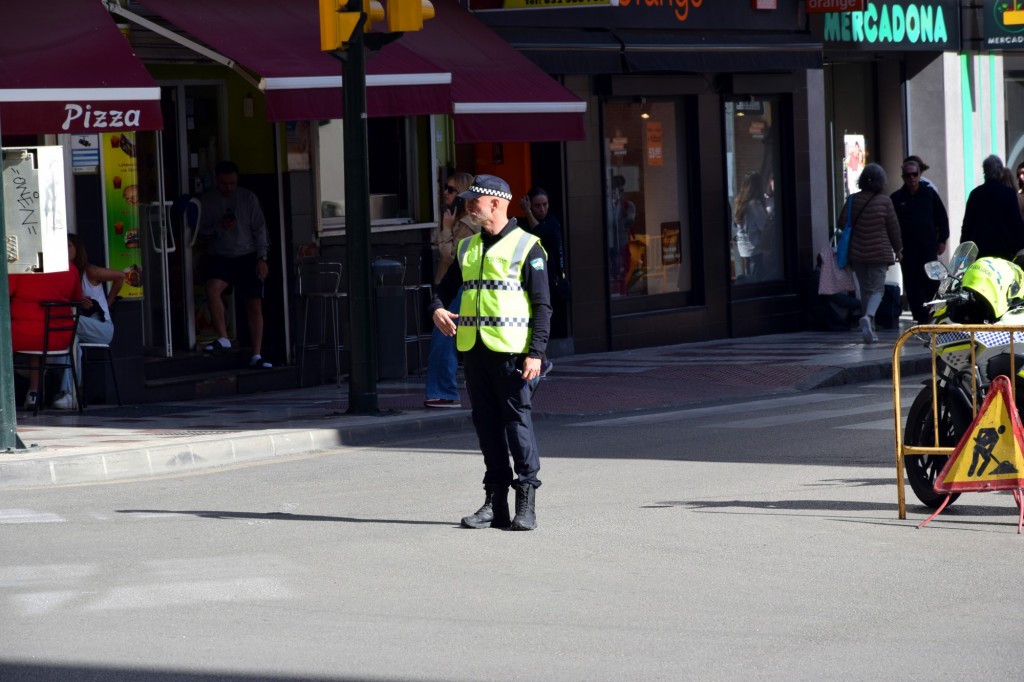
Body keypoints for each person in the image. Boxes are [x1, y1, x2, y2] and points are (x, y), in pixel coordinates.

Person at [429, 174, 552, 531]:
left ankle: (525, 502)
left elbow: (543, 306)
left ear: (495, 203)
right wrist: (437, 309)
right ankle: (495, 503)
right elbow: (442, 289)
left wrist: (536, 353)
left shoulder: (528, 246)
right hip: (475, 351)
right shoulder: (468, 247)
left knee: (516, 424)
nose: (468, 206)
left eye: (474, 201)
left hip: (512, 354)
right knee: (486, 426)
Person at [197, 160, 272, 368]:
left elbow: (260, 229)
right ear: (216, 180)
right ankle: (223, 337)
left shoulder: (248, 198)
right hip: (220, 254)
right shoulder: (207, 201)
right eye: (224, 183)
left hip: (247, 254)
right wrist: (219, 227)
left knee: (254, 304)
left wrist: (262, 258)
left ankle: (256, 354)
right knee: (212, 288)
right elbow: (199, 234)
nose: (228, 188)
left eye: (232, 183)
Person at [50, 234, 125, 410]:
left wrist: (108, 302)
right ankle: (70, 394)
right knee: (72, 342)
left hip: (102, 328)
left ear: (78, 249)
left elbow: (120, 276)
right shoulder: (64, 274)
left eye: (69, 246)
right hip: (80, 328)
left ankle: (51, 370)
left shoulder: (89, 272)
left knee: (67, 323)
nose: (64, 250)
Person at [8, 238, 83, 409]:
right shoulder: (69, 268)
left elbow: (6, 292)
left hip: (22, 335)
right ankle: (34, 393)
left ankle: (18, 394)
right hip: (59, 337)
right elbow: (77, 298)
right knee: (39, 345)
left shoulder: (22, 266)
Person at [424, 171, 478, 408]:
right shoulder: (458, 220)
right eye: (445, 188)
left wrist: (446, 228)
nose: (445, 193)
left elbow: (451, 257)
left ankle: (443, 391)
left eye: (451, 189)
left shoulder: (466, 224)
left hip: (459, 287)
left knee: (445, 334)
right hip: (450, 286)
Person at [840, 162, 903, 344]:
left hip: (857, 252)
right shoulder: (885, 201)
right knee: (877, 290)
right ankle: (868, 317)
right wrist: (898, 249)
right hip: (879, 252)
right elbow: (893, 228)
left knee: (865, 290)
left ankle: (870, 330)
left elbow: (841, 223)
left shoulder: (853, 200)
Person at [890, 158, 949, 324]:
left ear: (919, 175)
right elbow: (891, 225)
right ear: (903, 177)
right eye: (908, 175)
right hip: (907, 251)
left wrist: (942, 240)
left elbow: (942, 218)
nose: (912, 178)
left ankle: (935, 314)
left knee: (932, 282)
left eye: (914, 174)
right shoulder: (896, 198)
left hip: (928, 248)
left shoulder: (929, 194)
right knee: (912, 285)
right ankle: (920, 317)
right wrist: (896, 248)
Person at [520, 186, 568, 341]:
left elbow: (542, 234)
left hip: (551, 280)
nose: (542, 209)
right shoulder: (522, 225)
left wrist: (528, 212)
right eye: (537, 206)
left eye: (545, 204)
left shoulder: (552, 222)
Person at [961, 154, 1024, 261]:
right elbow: (1016, 223)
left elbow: (967, 225)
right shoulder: (1009, 194)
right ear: (1000, 172)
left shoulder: (975, 194)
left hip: (980, 253)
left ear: (985, 172)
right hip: (1004, 253)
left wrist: (964, 249)